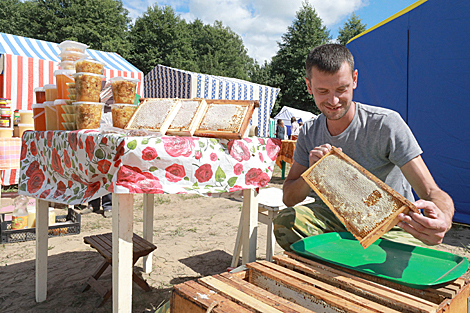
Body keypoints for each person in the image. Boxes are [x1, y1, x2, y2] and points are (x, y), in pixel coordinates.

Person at [274, 43, 453, 251]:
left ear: (355, 80)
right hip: (332, 223)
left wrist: (444, 219)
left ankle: (344, 260)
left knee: (413, 263)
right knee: (285, 222)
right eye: (322, 91)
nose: (333, 101)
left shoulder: (386, 124)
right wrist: (313, 173)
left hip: (390, 227)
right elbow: (289, 198)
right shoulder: (309, 131)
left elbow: (431, 192)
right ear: (308, 86)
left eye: (342, 89)